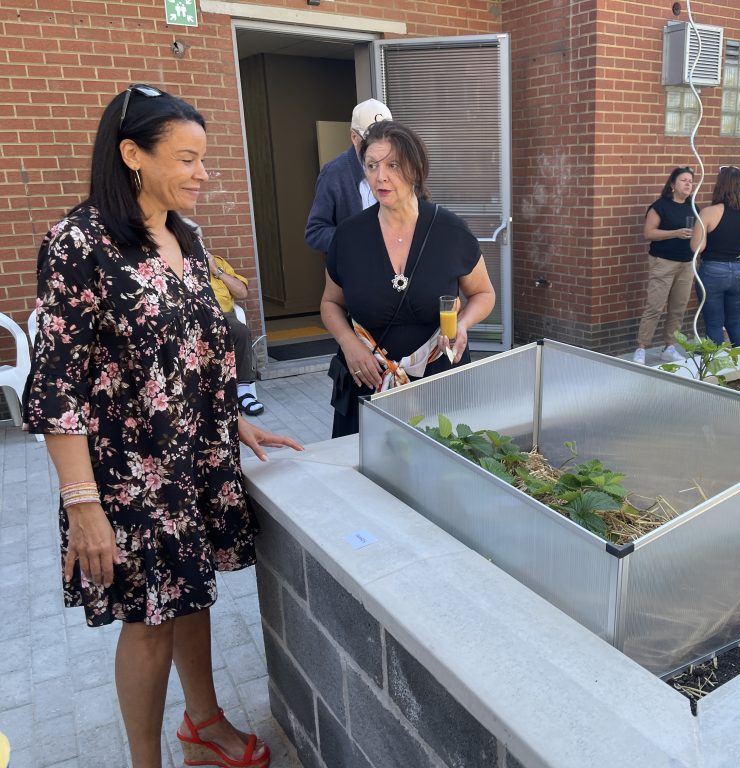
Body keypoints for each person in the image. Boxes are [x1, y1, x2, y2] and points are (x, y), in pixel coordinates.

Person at [21, 83, 302, 768]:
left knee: (192, 592)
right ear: (132, 155)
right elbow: (58, 384)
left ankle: (202, 726)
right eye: (187, 158)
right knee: (148, 621)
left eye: (203, 158)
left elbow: (202, 352)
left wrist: (235, 423)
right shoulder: (78, 242)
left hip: (195, 461)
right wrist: (82, 505)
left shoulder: (185, 238)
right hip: (125, 477)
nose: (203, 173)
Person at [320, 120, 496, 438]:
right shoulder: (348, 236)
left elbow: (483, 294)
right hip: (368, 384)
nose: (379, 176)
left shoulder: (450, 231)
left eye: (392, 165)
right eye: (371, 165)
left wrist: (463, 324)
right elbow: (330, 302)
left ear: (415, 170)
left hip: (440, 382)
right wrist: (348, 344)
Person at [184, 217, 266, 416]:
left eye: (198, 240)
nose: (197, 244)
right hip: (193, 317)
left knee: (240, 330)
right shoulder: (177, 265)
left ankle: (243, 391)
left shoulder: (218, 262)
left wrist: (217, 271)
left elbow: (242, 293)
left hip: (224, 315)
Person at [304, 98, 393, 254]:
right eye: (371, 140)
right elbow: (315, 232)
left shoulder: (401, 167)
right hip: (356, 270)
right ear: (354, 137)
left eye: (388, 139)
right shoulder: (333, 174)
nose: (380, 147)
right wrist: (355, 238)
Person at [632, 166, 699, 365]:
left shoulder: (694, 207)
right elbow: (648, 233)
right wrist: (674, 233)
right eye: (683, 180)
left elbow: (701, 230)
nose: (688, 184)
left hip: (686, 263)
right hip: (663, 262)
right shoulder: (660, 206)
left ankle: (669, 346)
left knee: (678, 307)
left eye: (690, 181)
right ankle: (641, 347)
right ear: (672, 184)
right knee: (655, 305)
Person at [690, 166, 740, 346]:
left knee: (714, 323)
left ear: (720, 185)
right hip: (739, 270)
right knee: (734, 322)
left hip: (713, 270)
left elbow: (697, 246)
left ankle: (714, 368)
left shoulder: (709, 212)